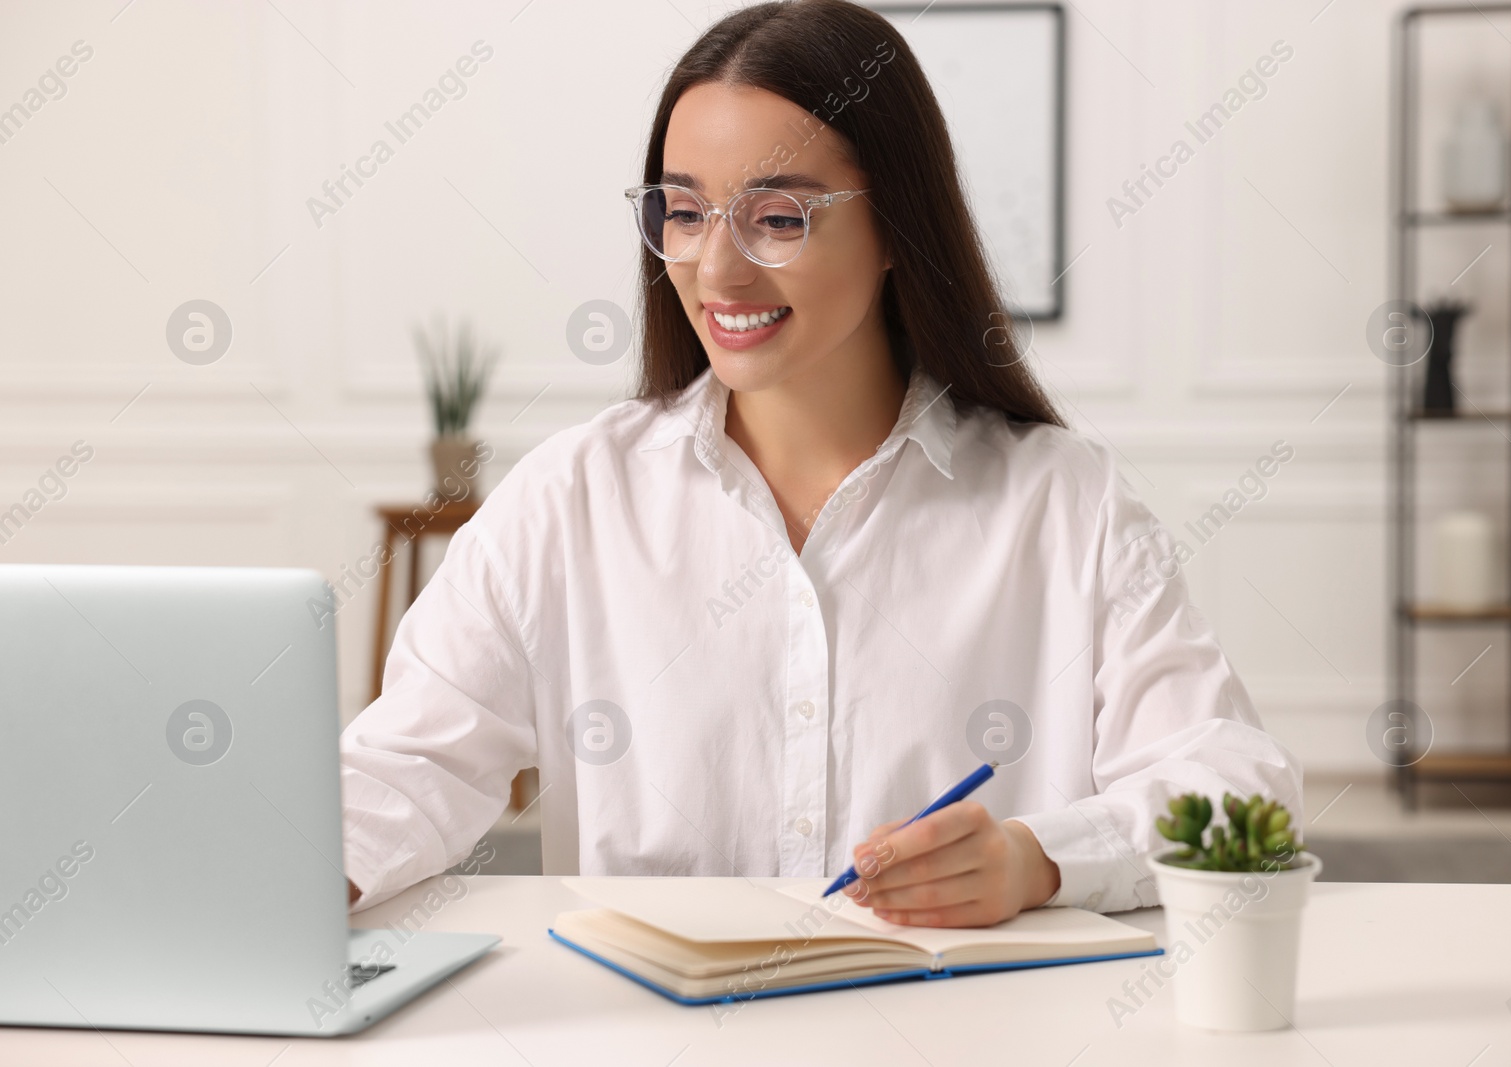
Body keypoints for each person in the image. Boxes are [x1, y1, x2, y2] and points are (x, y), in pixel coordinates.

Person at [340, 0, 1302, 926]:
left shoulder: (1063, 503)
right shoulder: (569, 499)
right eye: (683, 212)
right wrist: (292, 876)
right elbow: (407, 765)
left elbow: (1234, 781)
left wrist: (1039, 858)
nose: (716, 270)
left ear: (895, 227)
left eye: (779, 218)